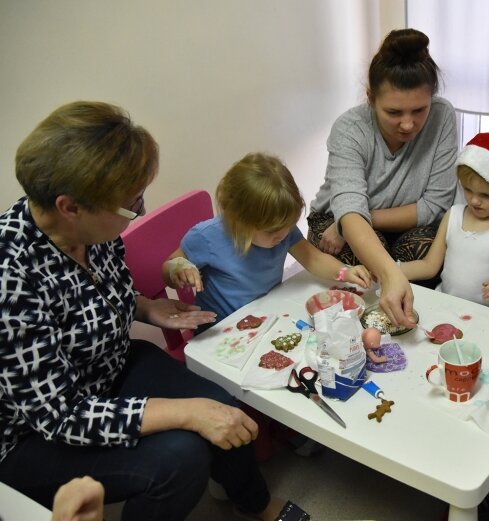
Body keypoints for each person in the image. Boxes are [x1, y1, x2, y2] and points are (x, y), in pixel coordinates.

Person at [0, 101, 303, 521]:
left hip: (109, 368)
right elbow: (61, 415)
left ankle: (254, 504)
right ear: (70, 207)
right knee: (181, 457)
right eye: (131, 205)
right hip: (37, 434)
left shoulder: (90, 232)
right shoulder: (10, 277)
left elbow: (99, 294)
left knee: (221, 399)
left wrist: (144, 308)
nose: (140, 212)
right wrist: (186, 412)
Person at [307, 28, 458, 328]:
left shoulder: (443, 116)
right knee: (364, 266)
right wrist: (388, 270)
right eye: (393, 112)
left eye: (419, 110)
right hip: (334, 222)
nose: (408, 124)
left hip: (394, 223)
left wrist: (362, 220)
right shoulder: (351, 129)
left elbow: (435, 205)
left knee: (434, 248)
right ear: (371, 99)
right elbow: (349, 211)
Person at [163, 152, 371, 328]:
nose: (282, 236)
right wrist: (178, 268)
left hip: (265, 316)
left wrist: (345, 272)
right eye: (272, 231)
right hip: (218, 329)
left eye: (287, 227)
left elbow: (313, 259)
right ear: (239, 221)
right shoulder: (206, 237)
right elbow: (169, 268)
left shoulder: (280, 231)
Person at [399, 132, 489, 307]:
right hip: (444, 304)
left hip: (485, 317)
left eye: (486, 195)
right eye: (467, 190)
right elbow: (429, 266)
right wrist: (385, 269)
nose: (474, 200)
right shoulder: (453, 215)